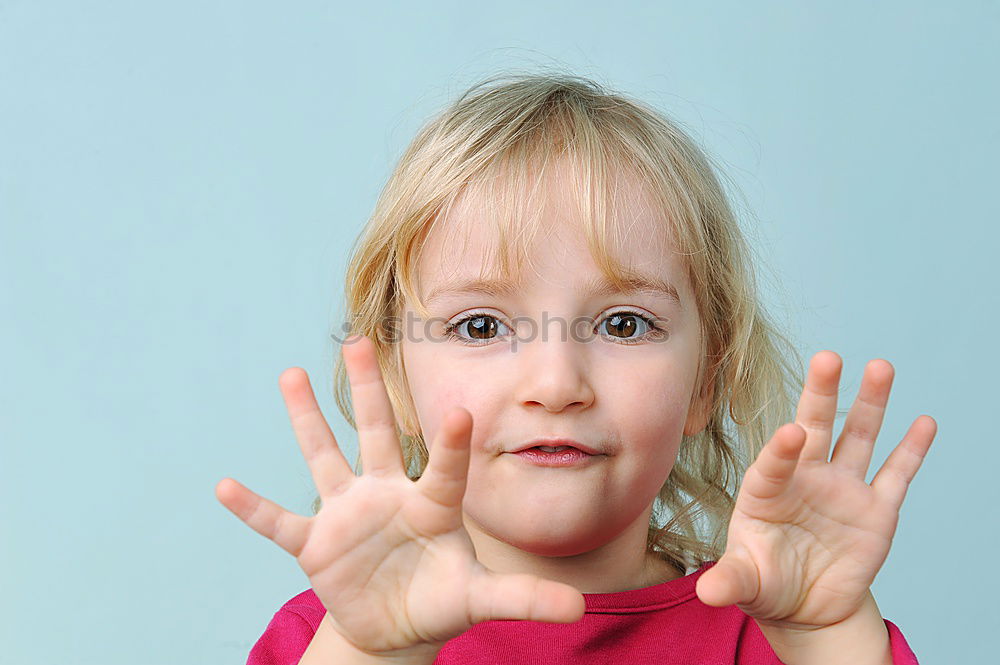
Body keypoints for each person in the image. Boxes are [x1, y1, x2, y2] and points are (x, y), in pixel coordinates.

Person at [215, 71, 936, 664]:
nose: (557, 384)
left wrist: (829, 638)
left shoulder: (782, 635)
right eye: (481, 324)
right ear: (398, 379)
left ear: (707, 376)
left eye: (623, 324)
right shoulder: (333, 635)